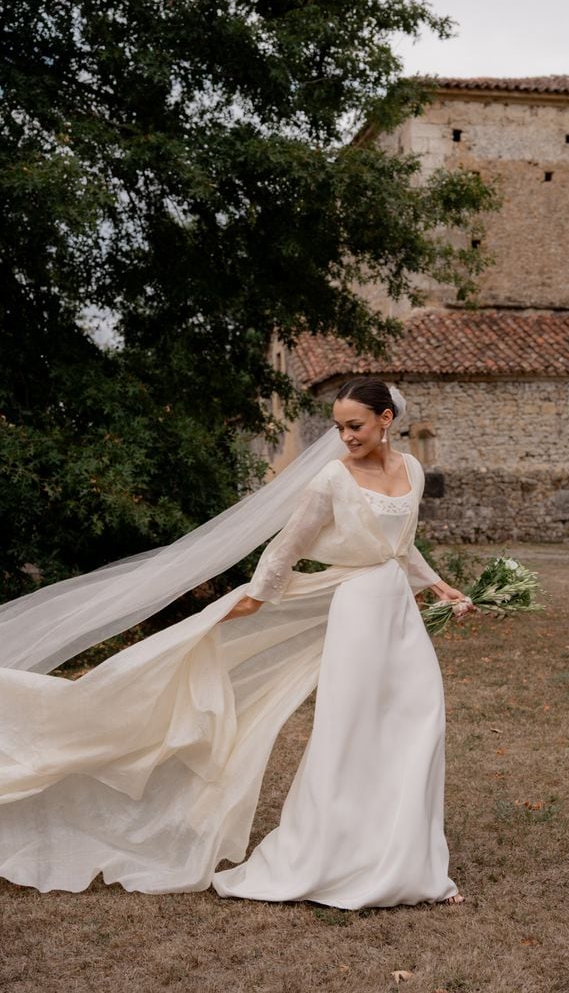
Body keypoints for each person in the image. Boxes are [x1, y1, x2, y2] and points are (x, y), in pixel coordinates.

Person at [0, 378, 473, 907]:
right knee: (355, 732)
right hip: (358, 610)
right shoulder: (331, 480)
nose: (344, 436)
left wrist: (438, 585)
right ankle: (331, 856)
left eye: (354, 425)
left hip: (398, 612)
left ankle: (416, 864)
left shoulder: (411, 469)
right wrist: (256, 599)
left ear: (386, 419)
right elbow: (285, 548)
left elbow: (401, 547)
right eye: (338, 426)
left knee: (421, 721)